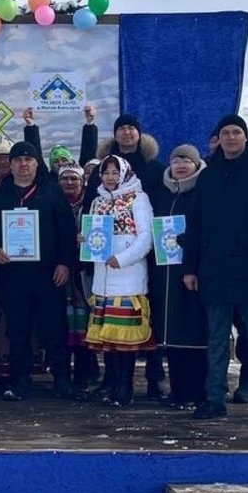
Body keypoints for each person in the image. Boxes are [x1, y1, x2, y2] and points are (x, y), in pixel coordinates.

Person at [184, 114, 248, 424]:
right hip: (214, 272)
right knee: (216, 340)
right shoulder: (209, 176)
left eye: (236, 132)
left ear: (245, 137)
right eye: (225, 133)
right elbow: (196, 225)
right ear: (218, 139)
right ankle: (215, 398)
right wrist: (191, 268)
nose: (230, 138)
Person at [0, 141, 78, 400]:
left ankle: (61, 378)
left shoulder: (51, 191)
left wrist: (64, 263)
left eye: (29, 159)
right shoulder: (1, 193)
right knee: (18, 329)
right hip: (14, 274)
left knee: (54, 327)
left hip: (49, 273)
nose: (23, 164)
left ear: (37, 163)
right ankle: (21, 379)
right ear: (10, 165)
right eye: (18, 160)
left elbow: (66, 230)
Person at [85, 156, 156, 407]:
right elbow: (94, 234)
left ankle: (125, 387)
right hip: (103, 278)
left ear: (125, 173)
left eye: (116, 172)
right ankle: (112, 384)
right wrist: (85, 241)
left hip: (127, 278)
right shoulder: (97, 200)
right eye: (106, 173)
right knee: (109, 340)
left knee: (125, 339)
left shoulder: (138, 198)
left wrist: (123, 258)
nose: (111, 177)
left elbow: (146, 238)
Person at [150, 145, 207, 409]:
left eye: (186, 160)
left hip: (193, 272)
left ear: (196, 164)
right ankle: (178, 390)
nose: (181, 165)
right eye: (176, 160)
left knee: (194, 332)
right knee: (170, 333)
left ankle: (197, 390)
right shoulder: (161, 194)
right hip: (165, 273)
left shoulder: (203, 192)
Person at [57, 161, 97, 393]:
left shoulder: (90, 207)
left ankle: (84, 373)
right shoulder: (54, 203)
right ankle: (62, 375)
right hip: (60, 272)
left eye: (74, 179)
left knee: (84, 323)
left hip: (83, 272)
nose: (69, 183)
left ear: (82, 182)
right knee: (63, 324)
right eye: (65, 178)